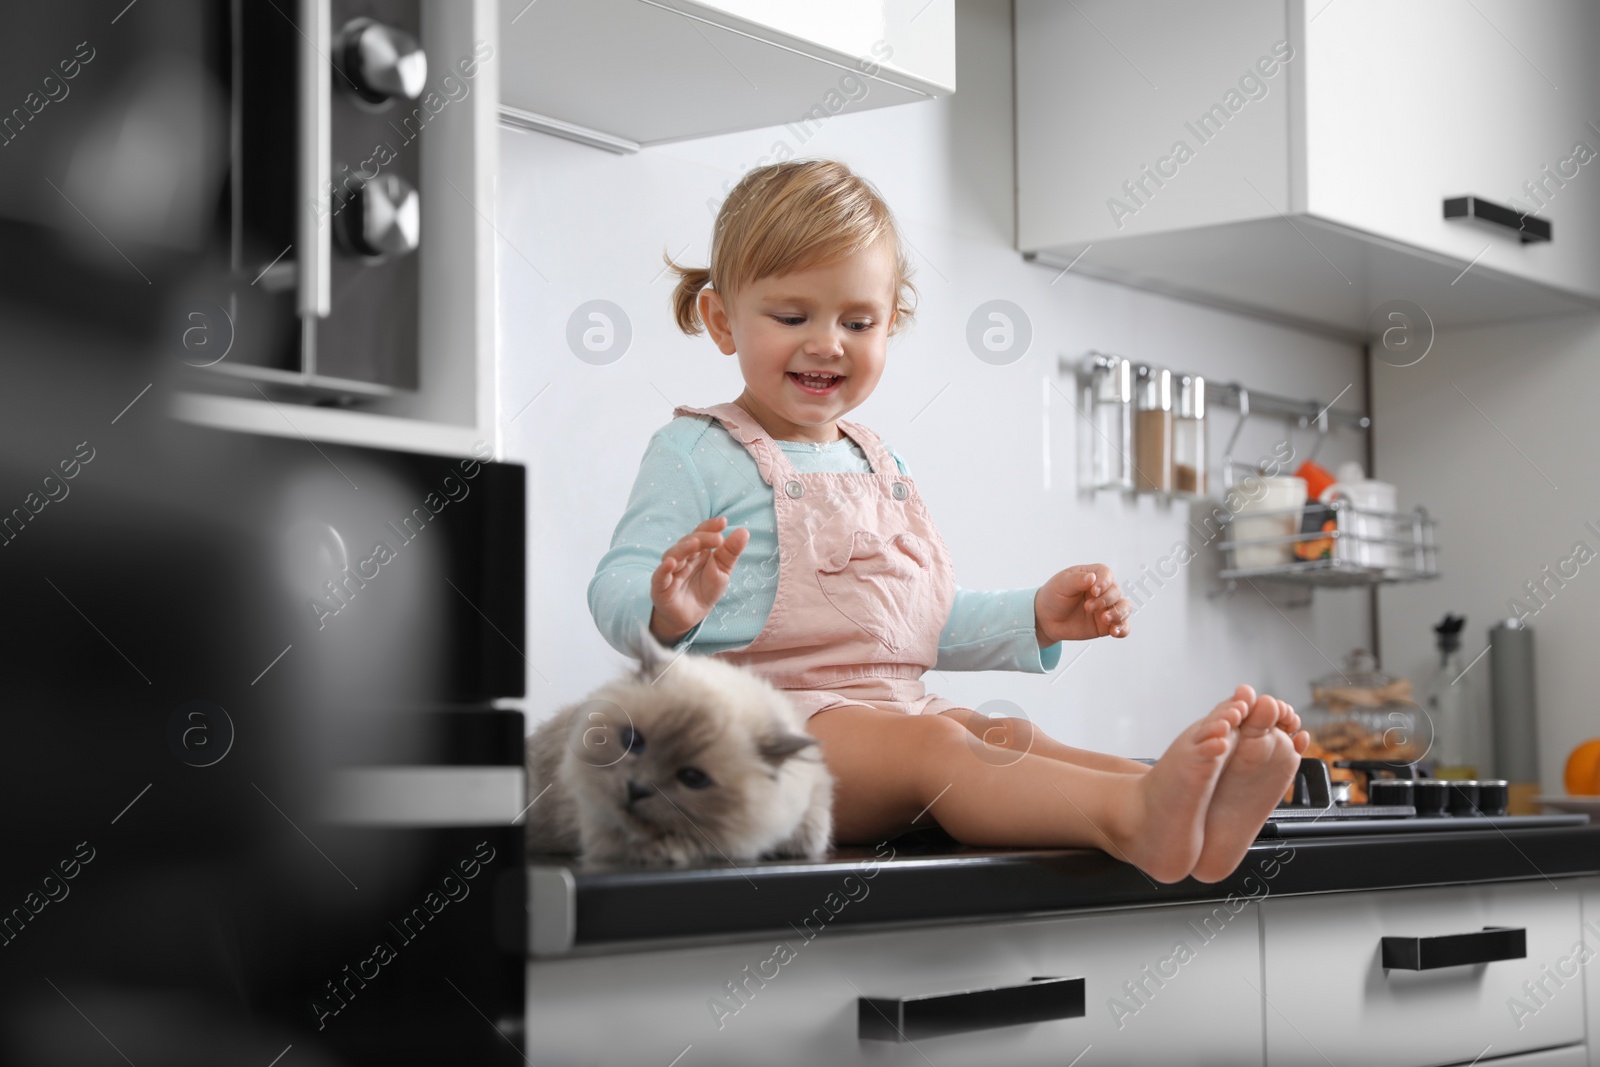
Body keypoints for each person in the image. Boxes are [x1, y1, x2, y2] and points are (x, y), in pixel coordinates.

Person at [588, 159, 1308, 883]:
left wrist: (1034, 618)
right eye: (792, 315)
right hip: (763, 741)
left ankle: (1180, 805)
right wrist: (663, 609)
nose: (827, 341)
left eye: (857, 321)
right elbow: (613, 583)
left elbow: (916, 623)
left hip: (892, 713)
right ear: (721, 320)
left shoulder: (879, 460)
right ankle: (1138, 815)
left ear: (890, 321)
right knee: (939, 743)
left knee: (996, 733)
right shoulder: (694, 451)